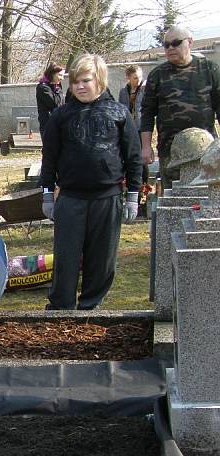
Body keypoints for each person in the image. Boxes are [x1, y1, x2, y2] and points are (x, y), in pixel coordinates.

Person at [39, 54, 142, 311]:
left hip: (107, 197)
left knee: (102, 258)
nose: (80, 86)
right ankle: (61, 308)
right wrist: (47, 195)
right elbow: (49, 158)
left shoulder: (119, 113)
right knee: (66, 257)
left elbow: (133, 157)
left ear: (100, 80)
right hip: (71, 198)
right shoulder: (61, 116)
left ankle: (91, 306)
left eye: (86, 80)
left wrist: (132, 196)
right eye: (75, 82)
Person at [140, 25, 220, 190]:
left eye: (175, 43)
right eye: (166, 45)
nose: (170, 48)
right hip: (170, 152)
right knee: (173, 198)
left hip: (206, 151)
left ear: (189, 42)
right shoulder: (157, 75)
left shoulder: (209, 70)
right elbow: (147, 114)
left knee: (206, 199)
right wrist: (146, 147)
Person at [118, 65, 150, 197]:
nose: (138, 80)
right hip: (128, 128)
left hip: (141, 128)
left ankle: (144, 186)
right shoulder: (123, 92)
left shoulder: (144, 88)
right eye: (135, 78)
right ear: (128, 78)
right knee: (129, 156)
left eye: (140, 77)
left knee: (142, 158)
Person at [36, 62, 65, 137]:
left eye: (63, 75)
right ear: (52, 74)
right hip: (48, 125)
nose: (62, 78)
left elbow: (62, 104)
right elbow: (56, 104)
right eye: (60, 75)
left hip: (58, 123)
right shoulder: (43, 88)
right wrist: (58, 88)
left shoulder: (55, 86)